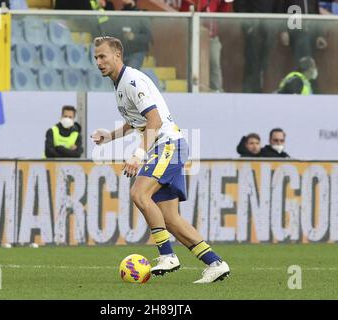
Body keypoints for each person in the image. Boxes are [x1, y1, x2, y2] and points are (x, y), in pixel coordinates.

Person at [90, 36, 230, 283]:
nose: (99, 62)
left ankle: (167, 255)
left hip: (168, 145)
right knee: (170, 219)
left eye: (103, 56)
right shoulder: (120, 85)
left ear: (117, 55)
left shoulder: (132, 81)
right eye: (96, 57)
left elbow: (154, 120)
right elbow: (138, 121)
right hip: (167, 146)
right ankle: (215, 263)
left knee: (139, 194)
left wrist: (138, 155)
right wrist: (109, 136)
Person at [180, 0, 233, 92]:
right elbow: (185, 12)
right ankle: (192, 90)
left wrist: (226, 3)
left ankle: (217, 90)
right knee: (193, 65)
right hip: (194, 36)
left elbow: (223, 13)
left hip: (212, 36)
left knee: (214, 64)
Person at [234, 0, 280, 93]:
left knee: (264, 64)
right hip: (253, 26)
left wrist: (275, 25)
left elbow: (278, 6)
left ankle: (259, 92)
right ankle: (249, 93)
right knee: (252, 63)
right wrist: (248, 25)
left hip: (268, 27)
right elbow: (239, 5)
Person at [100, 0, 152, 70]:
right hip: (121, 52)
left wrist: (134, 37)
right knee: (118, 77)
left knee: (130, 74)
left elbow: (148, 37)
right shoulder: (119, 14)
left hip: (136, 53)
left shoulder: (141, 14)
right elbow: (110, 31)